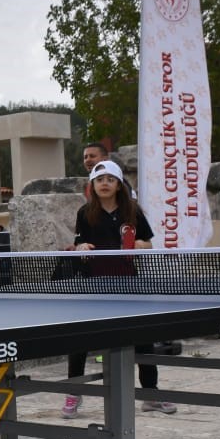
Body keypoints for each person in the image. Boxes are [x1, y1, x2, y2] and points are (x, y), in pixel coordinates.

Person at [64, 159, 176, 417]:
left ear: (118, 185)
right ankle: (74, 393)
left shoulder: (133, 211)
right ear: (93, 184)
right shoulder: (85, 213)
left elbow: (147, 243)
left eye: (110, 180)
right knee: (79, 339)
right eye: (100, 180)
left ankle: (151, 394)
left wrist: (140, 245)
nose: (105, 184)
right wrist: (81, 247)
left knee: (143, 339)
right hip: (94, 284)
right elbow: (79, 244)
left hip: (128, 282)